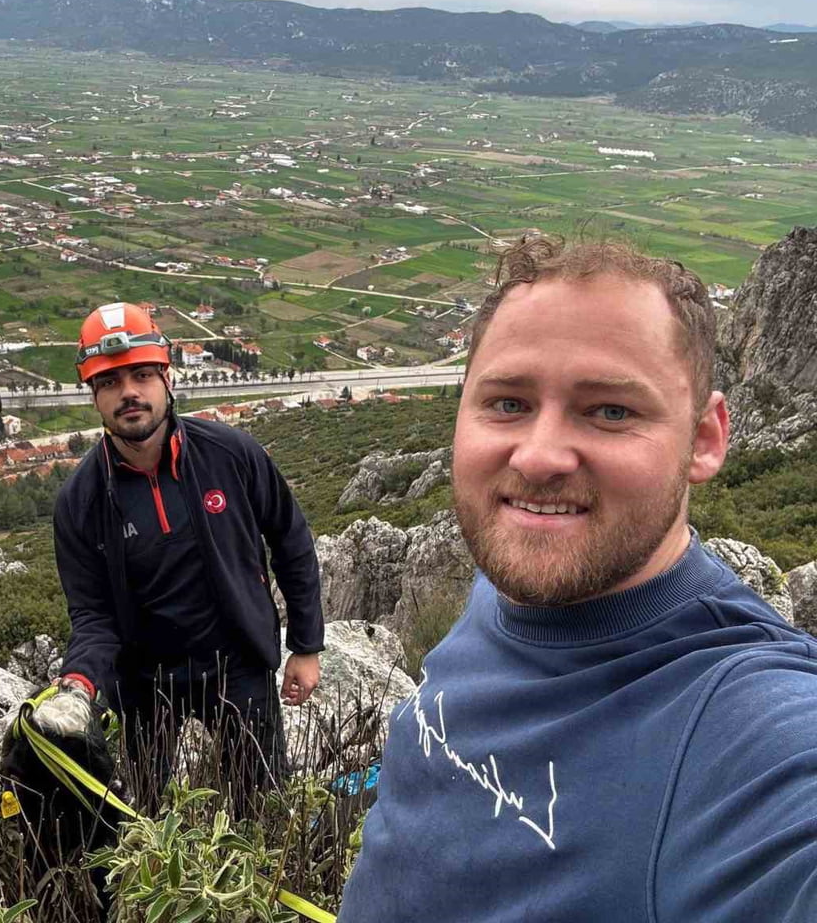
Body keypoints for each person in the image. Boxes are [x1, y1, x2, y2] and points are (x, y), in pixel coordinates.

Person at [339, 238, 817, 922]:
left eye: (612, 411)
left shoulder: (744, 729)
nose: (538, 457)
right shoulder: (510, 585)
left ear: (706, 440)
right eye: (506, 403)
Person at [52, 302, 324, 809]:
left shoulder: (231, 454)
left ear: (166, 376)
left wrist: (306, 645)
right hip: (146, 680)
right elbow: (91, 613)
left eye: (141, 374)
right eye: (110, 382)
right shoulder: (80, 500)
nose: (129, 392)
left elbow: (290, 540)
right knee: (145, 811)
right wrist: (78, 683)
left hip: (238, 662)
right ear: (93, 395)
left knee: (260, 802)